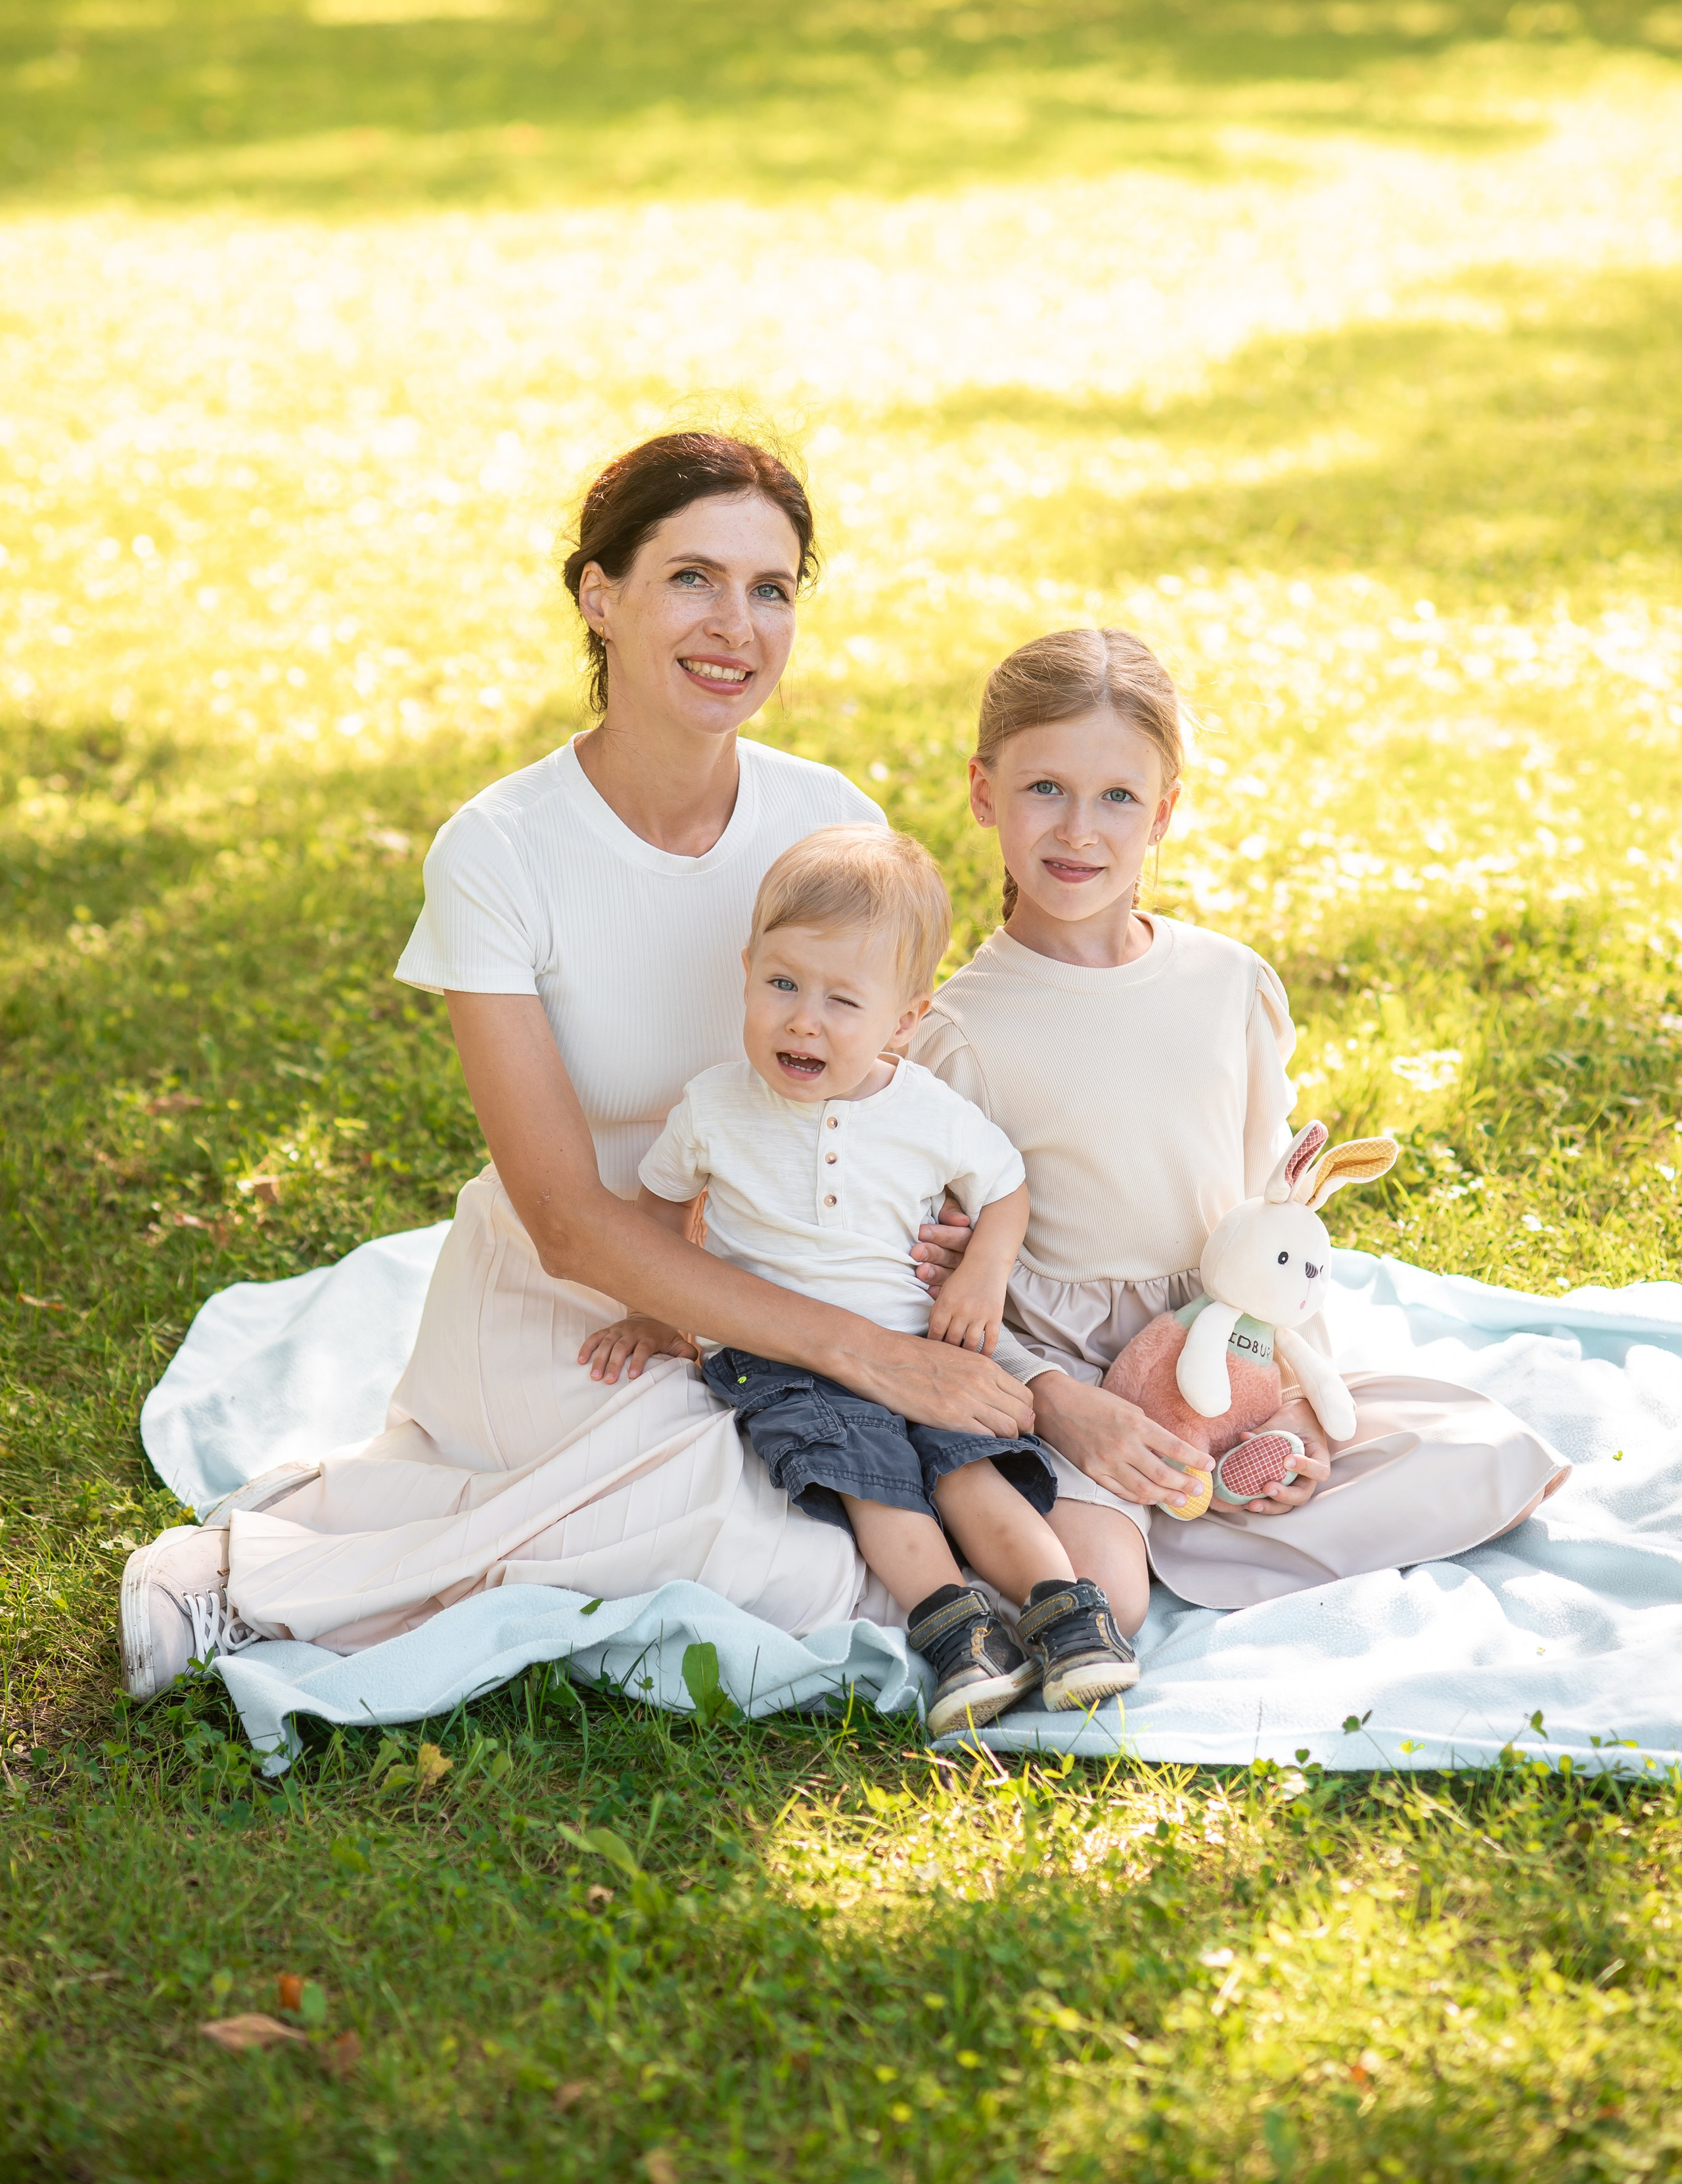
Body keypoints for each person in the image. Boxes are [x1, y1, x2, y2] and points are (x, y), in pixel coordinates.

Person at [119, 432, 1036, 1702]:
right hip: (583, 1301)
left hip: (783, 1265)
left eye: (772, 590)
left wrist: (933, 1245)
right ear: (599, 595)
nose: (736, 626)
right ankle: (250, 1571)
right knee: (777, 1544)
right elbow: (561, 1218)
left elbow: (884, 1086)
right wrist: (866, 1355)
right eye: (692, 579)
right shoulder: (498, 848)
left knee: (861, 1513)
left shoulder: (826, 818)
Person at [906, 626, 1570, 1615]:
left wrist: (1294, 1404)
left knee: (1492, 1457)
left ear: (1164, 811)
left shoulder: (1229, 984)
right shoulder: (962, 1031)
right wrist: (1060, 1403)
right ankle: (1142, 1514)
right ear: (982, 792)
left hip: (1228, 1346)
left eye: (1119, 797)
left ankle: (1221, 1492)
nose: (1079, 831)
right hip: (1068, 1376)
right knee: (1102, 1603)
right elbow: (940, 1285)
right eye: (1045, 789)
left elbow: (1274, 1218)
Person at [581, 823, 1140, 1736]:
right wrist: (655, 1313)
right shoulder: (715, 1106)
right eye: (782, 985)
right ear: (748, 970)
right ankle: (960, 1637)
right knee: (875, 1483)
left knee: (969, 1474)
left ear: (904, 1022)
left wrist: (982, 1280)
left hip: (927, 1344)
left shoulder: (926, 1109)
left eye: (845, 1001)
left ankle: (1069, 1617)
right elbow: (658, 1213)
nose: (804, 1019)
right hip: (782, 1359)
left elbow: (1005, 1191)